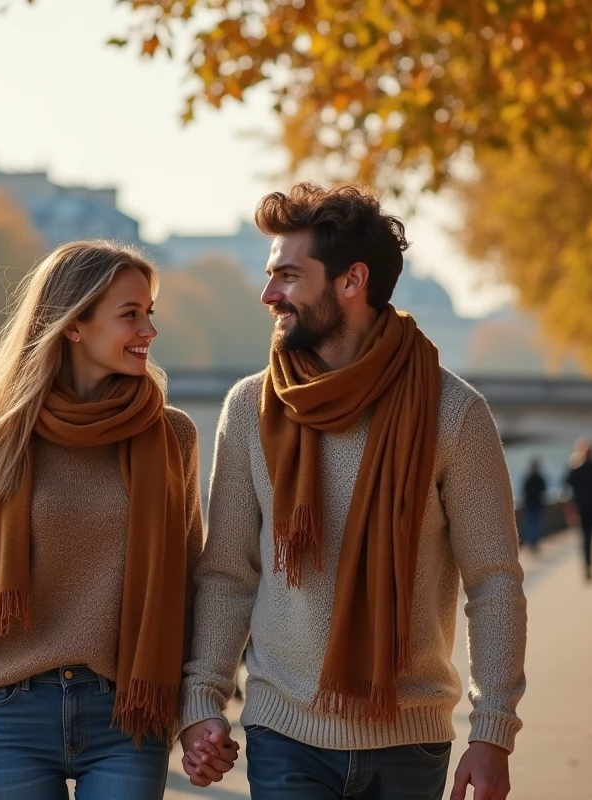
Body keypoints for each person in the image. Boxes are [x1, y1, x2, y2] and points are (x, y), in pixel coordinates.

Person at [178, 183, 526, 800]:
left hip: (409, 740)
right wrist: (202, 700)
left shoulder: (454, 413)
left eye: (288, 275)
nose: (268, 295)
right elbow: (229, 571)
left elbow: (493, 578)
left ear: (351, 281)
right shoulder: (249, 410)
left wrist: (492, 731)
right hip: (284, 734)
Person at [0, 241, 207, 800]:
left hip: (128, 714)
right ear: (74, 325)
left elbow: (190, 588)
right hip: (11, 715)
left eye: (150, 313)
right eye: (131, 314)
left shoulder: (174, 438)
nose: (149, 329)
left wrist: (199, 707)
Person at [565, 440, 592, 582]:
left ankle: (586, 566)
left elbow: (567, 489)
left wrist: (570, 508)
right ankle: (590, 565)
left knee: (584, 537)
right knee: (591, 536)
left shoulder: (576, 469)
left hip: (581, 508)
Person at [521, 458, 548, 552]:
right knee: (537, 524)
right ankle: (535, 543)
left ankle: (531, 543)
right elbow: (544, 491)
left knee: (529, 524)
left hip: (529, 504)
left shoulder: (528, 479)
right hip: (537, 504)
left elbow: (524, 491)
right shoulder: (540, 479)